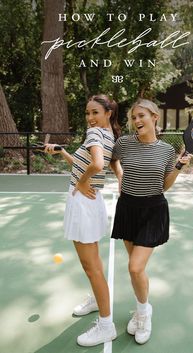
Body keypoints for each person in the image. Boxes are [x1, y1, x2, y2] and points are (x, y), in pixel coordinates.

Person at [110, 98, 192, 345]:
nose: (136, 121)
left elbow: (164, 186)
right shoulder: (124, 143)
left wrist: (178, 166)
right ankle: (141, 308)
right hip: (127, 209)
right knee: (137, 271)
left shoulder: (166, 151)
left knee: (135, 267)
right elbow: (113, 159)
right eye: (134, 118)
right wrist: (120, 177)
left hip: (153, 211)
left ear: (155, 118)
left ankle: (144, 314)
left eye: (141, 116)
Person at [44, 94, 120, 347]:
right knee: (94, 264)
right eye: (87, 113)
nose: (90, 118)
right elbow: (87, 163)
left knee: (92, 267)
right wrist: (63, 152)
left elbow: (96, 165)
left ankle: (106, 326)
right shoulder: (108, 135)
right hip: (92, 202)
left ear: (108, 112)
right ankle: (98, 302)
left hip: (83, 201)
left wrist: (81, 181)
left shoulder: (95, 135)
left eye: (95, 112)